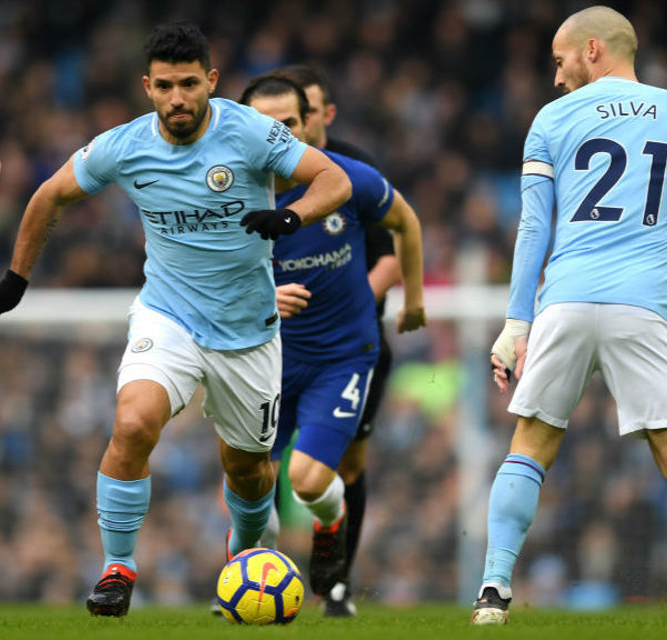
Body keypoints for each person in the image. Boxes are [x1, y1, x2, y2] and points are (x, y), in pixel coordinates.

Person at [0, 20, 351, 618]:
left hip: (248, 331)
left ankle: (248, 552)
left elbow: (335, 178)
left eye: (190, 84)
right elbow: (49, 196)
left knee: (249, 468)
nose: (178, 98)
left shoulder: (251, 132)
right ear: (146, 86)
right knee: (132, 423)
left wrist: (290, 217)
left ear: (212, 82)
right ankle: (118, 569)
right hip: (167, 316)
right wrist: (15, 280)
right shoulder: (125, 145)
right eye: (166, 86)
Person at [474, 6, 667, 626]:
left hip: (566, 301)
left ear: (592, 49)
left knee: (531, 444)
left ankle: (493, 592)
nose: (555, 76)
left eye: (560, 59)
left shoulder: (551, 119)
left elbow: (534, 226)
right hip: (646, 304)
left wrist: (516, 324)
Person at [239, 73, 425, 603]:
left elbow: (406, 222)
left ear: (310, 123)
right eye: (265, 126)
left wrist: (413, 299)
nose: (279, 136)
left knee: (307, 478)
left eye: (290, 124)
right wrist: (260, 300)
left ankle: (330, 525)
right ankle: (247, 576)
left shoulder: (345, 178)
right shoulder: (224, 191)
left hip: (342, 356)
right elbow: (198, 281)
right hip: (264, 356)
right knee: (249, 480)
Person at [273, 63, 401, 617]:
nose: (307, 120)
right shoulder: (252, 177)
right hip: (280, 344)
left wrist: (349, 309)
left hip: (349, 343)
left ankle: (338, 585)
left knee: (345, 466)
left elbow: (392, 256)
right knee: (260, 464)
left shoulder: (354, 171)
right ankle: (258, 572)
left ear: (319, 115)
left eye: (314, 109)